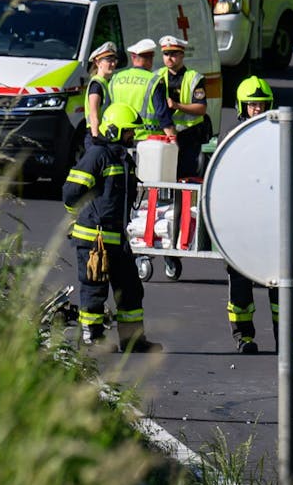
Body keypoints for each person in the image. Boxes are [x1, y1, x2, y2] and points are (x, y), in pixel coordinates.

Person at [224, 76, 293, 355]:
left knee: (281, 285)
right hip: (241, 226)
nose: (257, 110)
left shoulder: (281, 138)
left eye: (261, 104)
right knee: (240, 286)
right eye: (252, 105)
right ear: (242, 106)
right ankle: (244, 337)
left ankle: (286, 338)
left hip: (274, 224)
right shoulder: (233, 140)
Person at [63, 102, 161, 353]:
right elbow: (71, 192)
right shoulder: (97, 156)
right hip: (94, 237)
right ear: (114, 130)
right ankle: (93, 340)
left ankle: (132, 341)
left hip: (117, 236)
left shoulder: (121, 157)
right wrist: (79, 218)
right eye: (128, 131)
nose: (132, 136)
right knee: (94, 289)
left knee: (130, 288)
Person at [157, 34, 210, 179]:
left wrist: (177, 106)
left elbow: (201, 108)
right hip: (165, 134)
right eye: (166, 54)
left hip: (189, 136)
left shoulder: (193, 78)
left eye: (173, 54)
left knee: (186, 177)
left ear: (182, 55)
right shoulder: (157, 76)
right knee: (164, 176)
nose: (169, 57)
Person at [106, 38, 174, 139]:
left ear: (133, 57)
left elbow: (107, 109)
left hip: (120, 138)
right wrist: (173, 138)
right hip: (149, 140)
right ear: (150, 59)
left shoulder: (116, 78)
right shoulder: (154, 81)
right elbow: (162, 115)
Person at [83, 41, 120, 145]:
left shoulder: (105, 83)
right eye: (109, 61)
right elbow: (93, 114)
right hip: (96, 136)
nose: (113, 64)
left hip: (103, 135)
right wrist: (96, 138)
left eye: (114, 60)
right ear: (98, 62)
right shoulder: (96, 84)